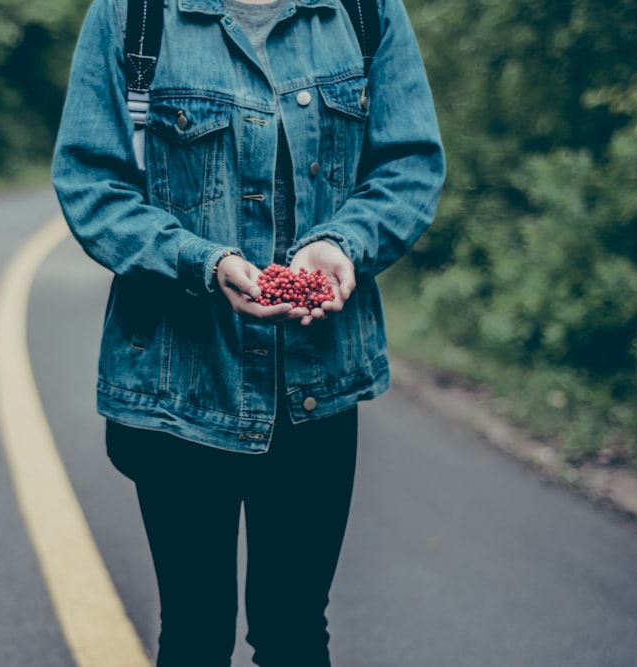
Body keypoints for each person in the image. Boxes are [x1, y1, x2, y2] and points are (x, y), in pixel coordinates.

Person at [52, 0, 445, 664]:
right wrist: (205, 263)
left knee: (293, 629)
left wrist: (342, 244)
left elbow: (408, 165)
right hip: (182, 387)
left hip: (315, 387)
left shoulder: (362, 10)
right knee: (196, 629)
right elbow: (93, 185)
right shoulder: (133, 15)